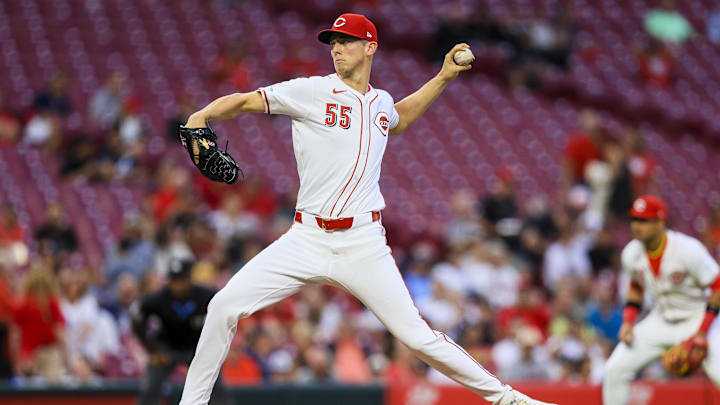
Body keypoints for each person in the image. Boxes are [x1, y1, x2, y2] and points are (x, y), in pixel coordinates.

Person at [178, 13, 556, 405]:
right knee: (223, 305)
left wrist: (443, 77)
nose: (337, 49)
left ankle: (508, 400)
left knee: (417, 337)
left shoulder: (381, 102)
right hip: (306, 237)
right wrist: (201, 116)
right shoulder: (311, 91)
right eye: (333, 43)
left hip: (362, 243)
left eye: (347, 41)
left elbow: (400, 119)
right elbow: (244, 100)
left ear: (370, 46)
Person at [603, 195, 720, 405]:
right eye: (634, 220)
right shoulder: (631, 253)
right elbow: (636, 288)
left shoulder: (687, 249)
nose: (636, 226)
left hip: (698, 318)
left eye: (644, 221)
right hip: (661, 319)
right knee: (615, 368)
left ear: (660, 222)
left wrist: (702, 332)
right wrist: (628, 323)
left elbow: (717, 286)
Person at [132, 258, 229, 405]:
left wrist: (212, 346)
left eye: (181, 280)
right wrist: (152, 349)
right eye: (174, 280)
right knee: (151, 385)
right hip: (167, 348)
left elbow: (224, 315)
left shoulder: (205, 295)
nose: (177, 285)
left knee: (216, 385)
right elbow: (137, 318)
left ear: (189, 279)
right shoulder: (159, 298)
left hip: (197, 347)